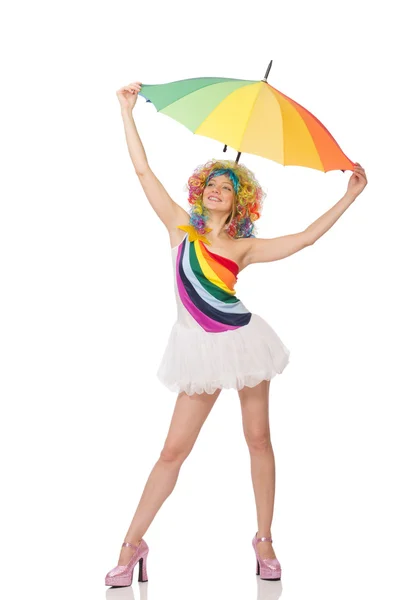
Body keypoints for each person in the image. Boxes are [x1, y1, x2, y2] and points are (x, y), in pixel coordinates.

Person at [105, 81, 368, 587]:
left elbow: (305, 239)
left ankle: (264, 540)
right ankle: (131, 543)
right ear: (199, 189)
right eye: (210, 183)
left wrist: (349, 197)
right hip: (197, 350)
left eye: (226, 187)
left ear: (239, 202)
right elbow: (142, 169)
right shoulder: (180, 227)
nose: (215, 190)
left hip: (243, 342)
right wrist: (127, 113)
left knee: (258, 439)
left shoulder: (243, 249)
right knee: (172, 451)